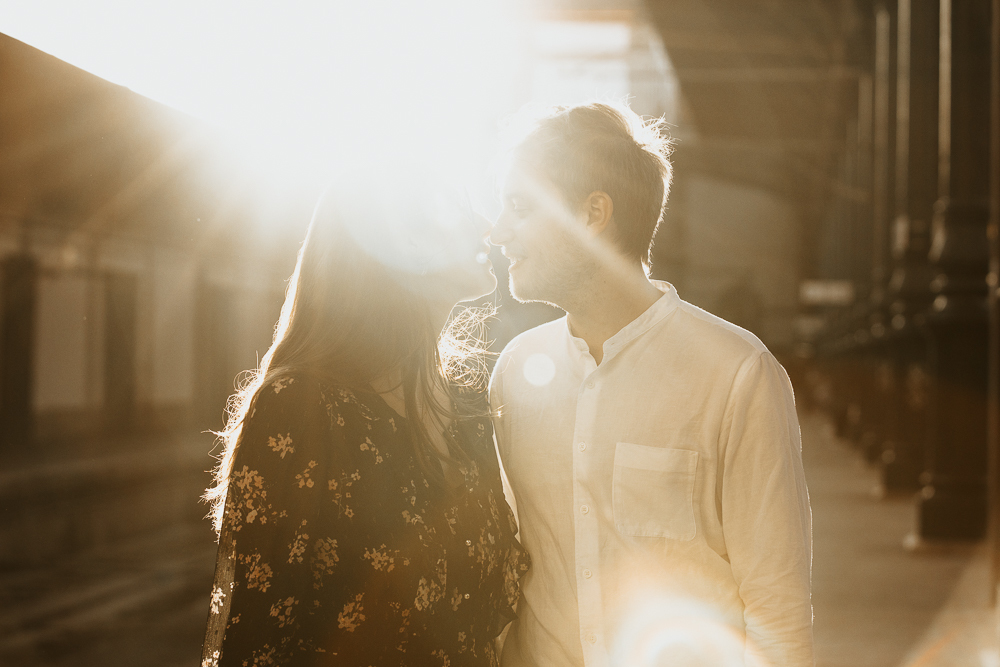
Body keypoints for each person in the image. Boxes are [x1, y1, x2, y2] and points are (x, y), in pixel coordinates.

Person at [488, 102, 813, 667]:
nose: (498, 233)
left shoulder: (738, 376)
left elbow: (777, 610)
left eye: (520, 207)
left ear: (593, 214)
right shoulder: (515, 372)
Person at [201, 166, 529, 667]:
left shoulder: (468, 407)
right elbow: (256, 640)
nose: (485, 225)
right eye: (455, 210)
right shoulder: (300, 408)